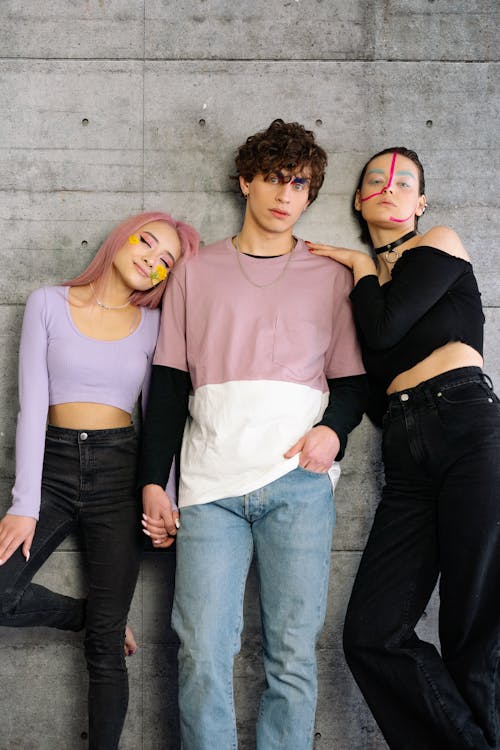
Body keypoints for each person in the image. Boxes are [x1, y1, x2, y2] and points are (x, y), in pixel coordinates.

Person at [138, 119, 367, 749]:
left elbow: (353, 382)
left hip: (299, 485)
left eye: (298, 183)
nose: (284, 193)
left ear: (310, 193)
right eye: (272, 177)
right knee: (202, 653)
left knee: (291, 659)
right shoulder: (195, 271)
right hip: (209, 489)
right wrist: (152, 483)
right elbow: (167, 387)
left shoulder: (330, 276)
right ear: (246, 182)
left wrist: (333, 434)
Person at [307, 147, 500, 750]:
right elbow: (366, 384)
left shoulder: (438, 243)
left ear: (420, 203)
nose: (388, 187)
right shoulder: (363, 294)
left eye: (404, 181)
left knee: (474, 626)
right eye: (374, 180)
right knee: (371, 632)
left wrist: (362, 268)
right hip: (404, 449)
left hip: (469, 426)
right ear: (360, 200)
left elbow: (388, 329)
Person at [0, 211, 199, 750]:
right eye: (148, 243)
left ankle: (104, 633)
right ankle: (92, 617)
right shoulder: (47, 302)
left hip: (121, 471)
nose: (151, 261)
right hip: (52, 469)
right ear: (122, 237)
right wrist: (25, 501)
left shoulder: (158, 326)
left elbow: (159, 417)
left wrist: (167, 496)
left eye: (165, 263)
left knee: (105, 651)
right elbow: (31, 405)